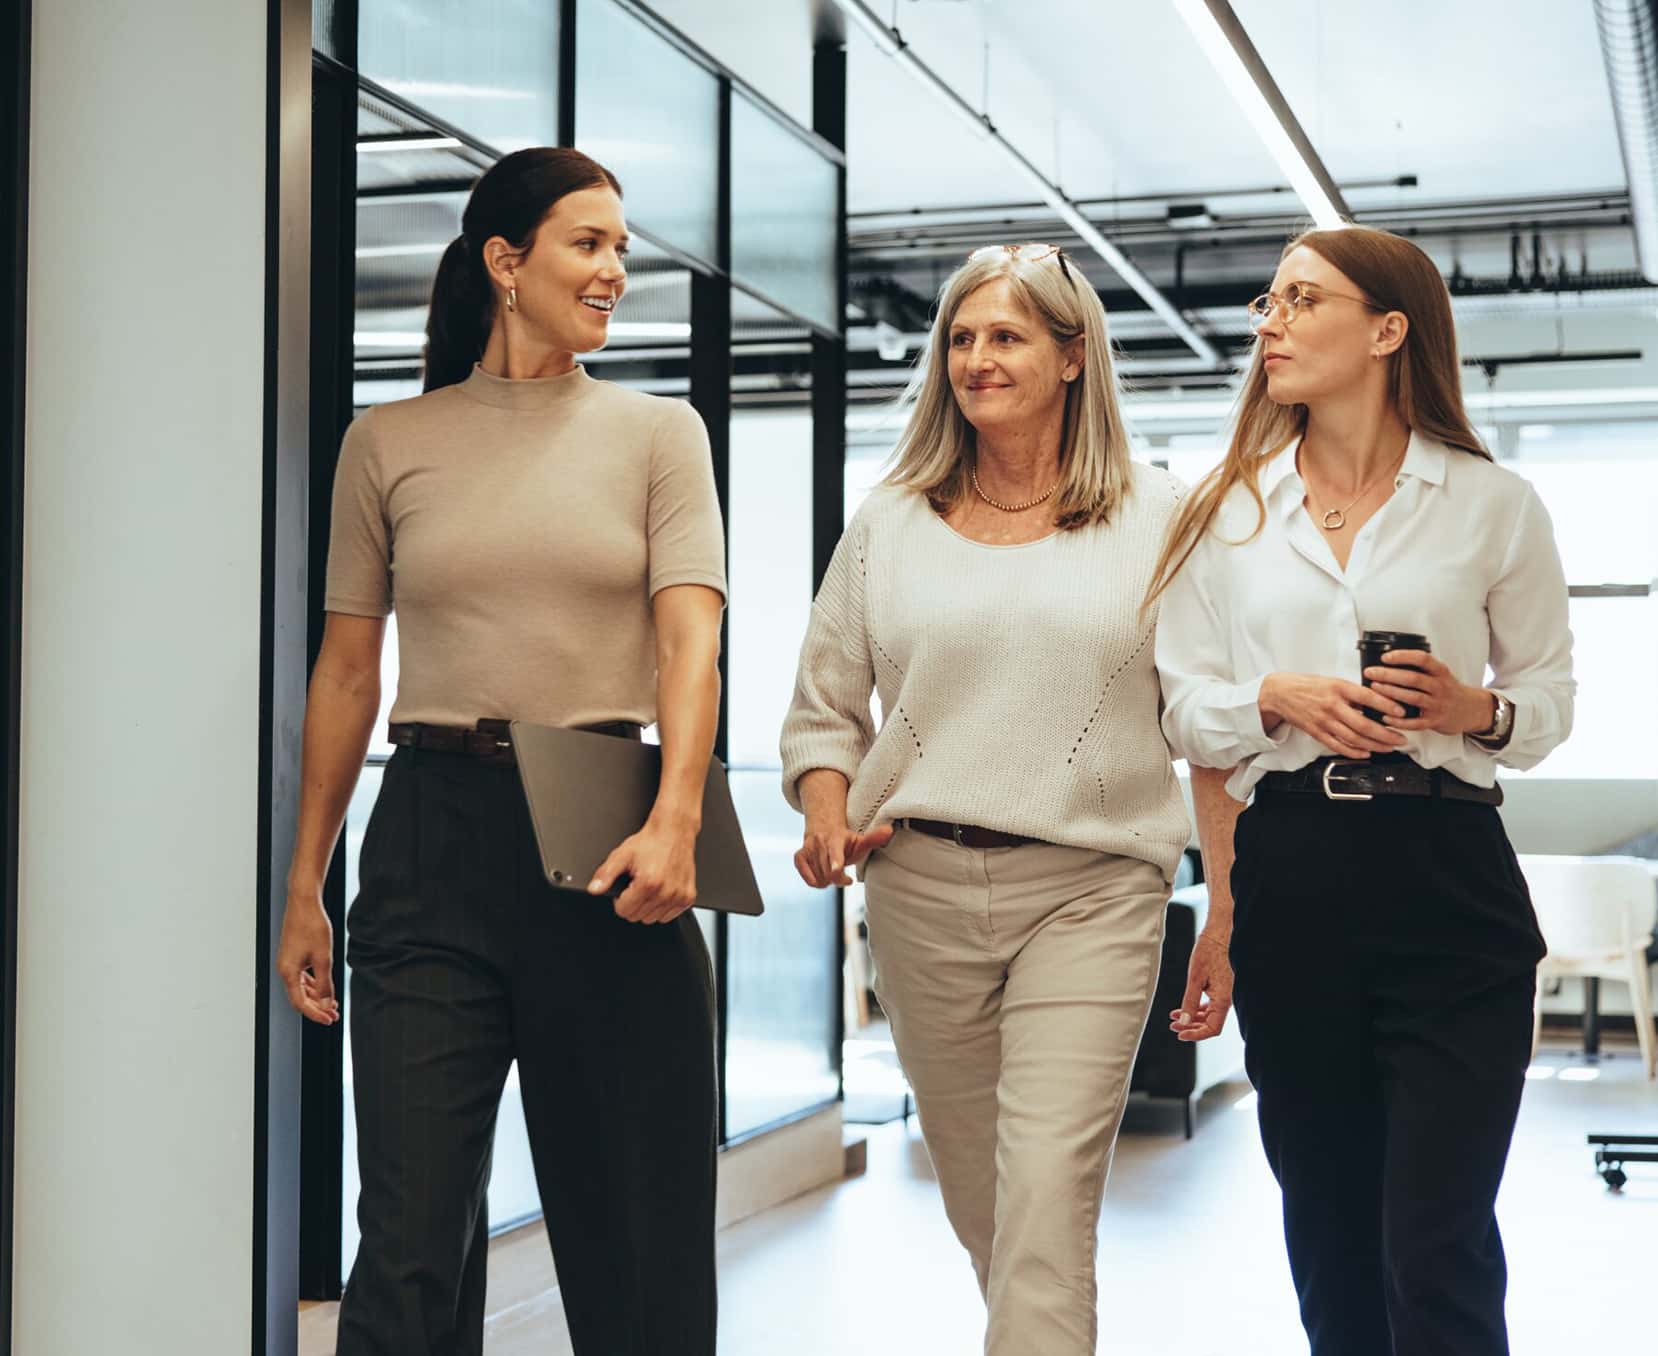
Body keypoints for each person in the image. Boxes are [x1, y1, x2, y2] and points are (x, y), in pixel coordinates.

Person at [274, 147, 726, 1356]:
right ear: (505, 263)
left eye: (622, 247)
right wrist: (304, 882)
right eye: (590, 244)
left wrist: (679, 816)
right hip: (430, 836)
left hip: (604, 830)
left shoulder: (656, 435)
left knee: (634, 1242)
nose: (616, 270)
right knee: (411, 1240)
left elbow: (691, 647)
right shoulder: (389, 442)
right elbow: (348, 674)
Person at [1153, 225, 1574, 1356]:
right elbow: (1180, 711)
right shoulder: (1223, 514)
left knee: (1434, 1236)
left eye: (1300, 300)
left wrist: (1466, 710)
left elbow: (1545, 702)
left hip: (1449, 876)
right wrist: (1273, 698)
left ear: (1386, 331)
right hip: (1293, 869)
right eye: (1265, 303)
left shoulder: (1492, 502)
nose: (1268, 323)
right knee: (1328, 1228)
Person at [781, 242, 1189, 1355]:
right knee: (985, 1208)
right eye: (959, 339)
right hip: (916, 892)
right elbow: (824, 711)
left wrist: (1233, 904)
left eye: (1004, 336)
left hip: (1094, 889)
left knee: (1046, 1201)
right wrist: (825, 807)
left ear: (1071, 356)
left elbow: (1210, 717)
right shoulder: (890, 522)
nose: (975, 359)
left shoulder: (1158, 516)